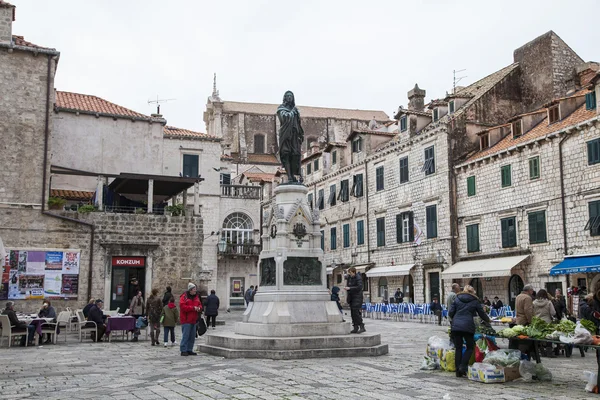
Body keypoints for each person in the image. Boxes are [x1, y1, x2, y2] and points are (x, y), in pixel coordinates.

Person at [449, 285, 491, 377]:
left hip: (456, 326)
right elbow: (481, 314)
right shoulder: (475, 301)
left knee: (458, 348)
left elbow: (450, 312)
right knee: (470, 347)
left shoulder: (457, 299)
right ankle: (463, 366)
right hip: (468, 326)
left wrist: (456, 319)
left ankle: (458, 371)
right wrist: (488, 320)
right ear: (472, 292)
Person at [277, 90, 304, 183]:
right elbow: (285, 118)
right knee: (286, 154)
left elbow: (298, 123)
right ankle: (289, 176)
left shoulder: (295, 110)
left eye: (291, 96)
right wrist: (293, 112)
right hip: (285, 135)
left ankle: (293, 175)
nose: (289, 97)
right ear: (285, 98)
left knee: (295, 154)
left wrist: (301, 134)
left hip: (294, 135)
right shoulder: (281, 109)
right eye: (288, 96)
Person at [179, 283, 202, 356]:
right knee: (185, 336)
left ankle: (189, 349)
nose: (195, 291)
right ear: (190, 290)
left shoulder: (197, 297)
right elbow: (183, 307)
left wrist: (199, 308)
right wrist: (193, 308)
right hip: (186, 320)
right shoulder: (184, 297)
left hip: (194, 319)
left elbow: (200, 305)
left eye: (195, 289)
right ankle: (183, 350)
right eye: (194, 289)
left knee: (192, 336)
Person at [344, 267, 365, 334]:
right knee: (353, 313)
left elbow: (359, 287)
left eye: (350, 273)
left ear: (354, 272)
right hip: (352, 297)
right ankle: (355, 327)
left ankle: (361, 326)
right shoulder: (350, 278)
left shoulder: (358, 277)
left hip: (357, 297)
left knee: (356, 312)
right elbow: (349, 285)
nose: (350, 274)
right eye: (349, 273)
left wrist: (350, 288)